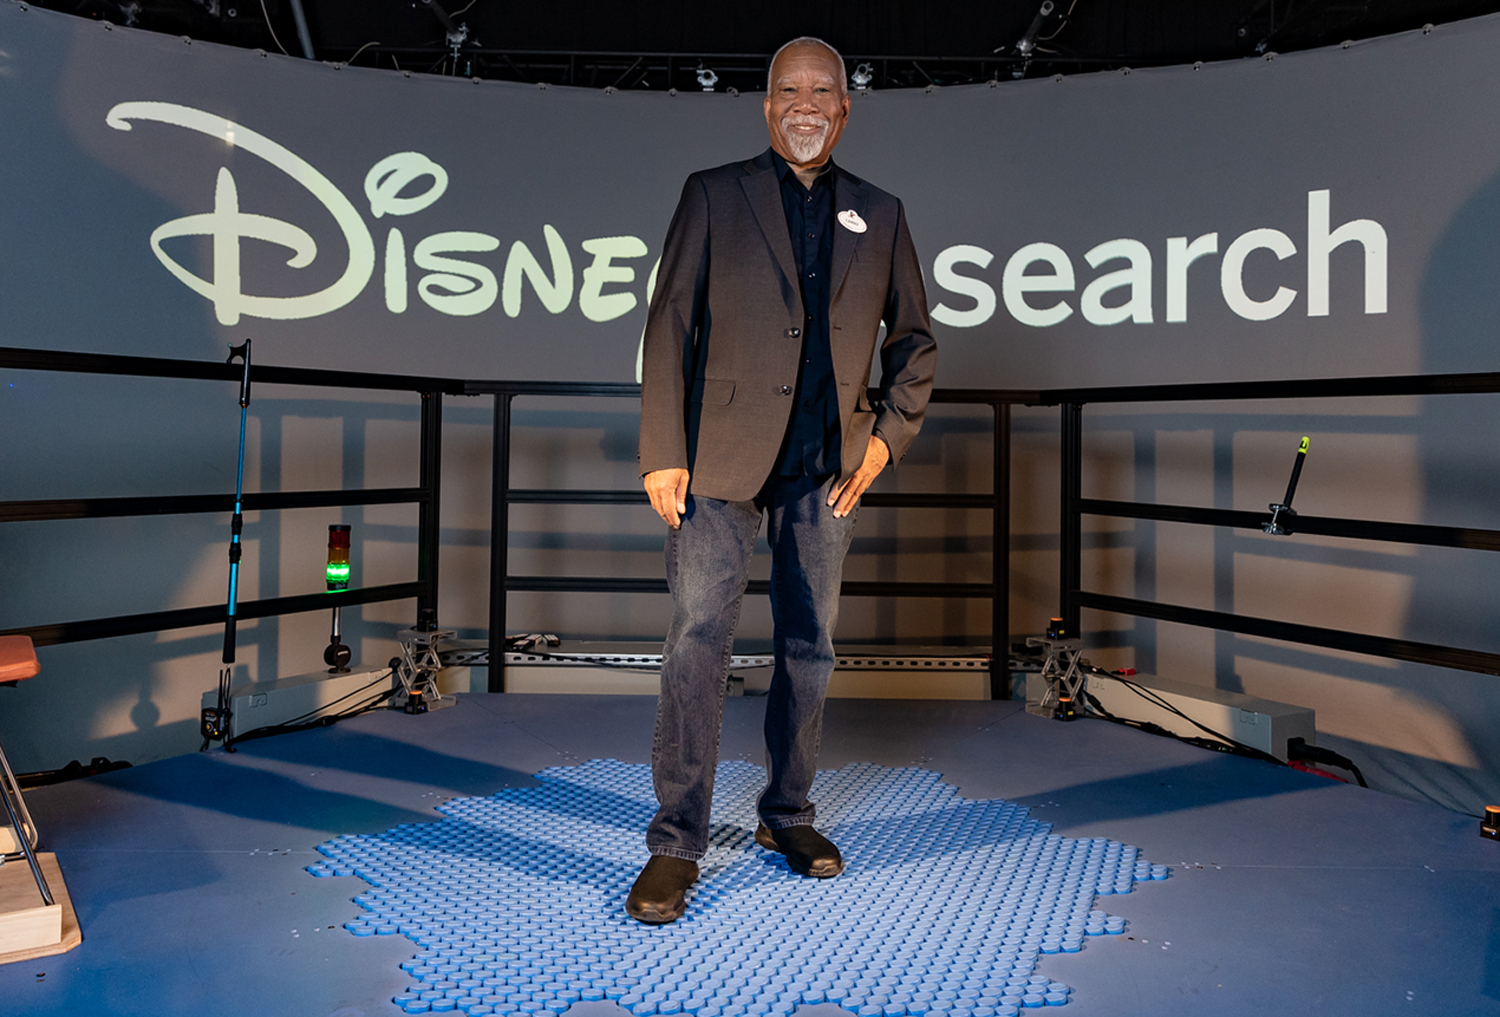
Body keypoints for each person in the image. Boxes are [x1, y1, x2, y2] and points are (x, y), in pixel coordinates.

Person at [629, 36, 937, 924]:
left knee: (810, 646)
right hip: (716, 460)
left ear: (846, 108)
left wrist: (883, 443)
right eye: (788, 91)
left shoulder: (881, 212)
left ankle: (787, 816)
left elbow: (915, 342)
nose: (805, 104)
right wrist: (662, 446)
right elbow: (670, 321)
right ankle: (675, 843)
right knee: (697, 641)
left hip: (825, 468)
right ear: (767, 108)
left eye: (823, 91)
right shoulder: (714, 192)